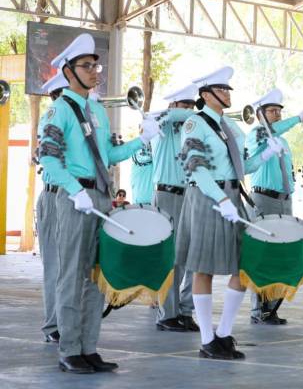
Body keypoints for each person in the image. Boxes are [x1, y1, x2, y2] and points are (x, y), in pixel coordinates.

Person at [38, 33, 159, 373]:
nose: (95, 72)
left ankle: (89, 347)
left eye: (96, 65)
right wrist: (73, 189)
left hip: (101, 196)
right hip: (75, 197)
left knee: (95, 276)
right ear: (68, 70)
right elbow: (47, 159)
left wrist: (141, 140)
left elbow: (109, 155)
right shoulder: (58, 110)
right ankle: (69, 349)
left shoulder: (97, 110)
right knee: (71, 275)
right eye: (87, 66)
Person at [175, 66, 262, 360]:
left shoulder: (233, 127)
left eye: (227, 90)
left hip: (232, 196)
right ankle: (207, 339)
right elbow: (195, 168)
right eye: (221, 90)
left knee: (243, 266)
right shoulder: (194, 124)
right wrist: (220, 199)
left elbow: (243, 167)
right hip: (207, 198)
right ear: (205, 94)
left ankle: (224, 333)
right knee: (204, 267)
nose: (227, 94)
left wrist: (266, 154)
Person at [245, 88, 303, 325]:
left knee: (280, 253)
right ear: (260, 114)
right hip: (264, 198)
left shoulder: (282, 140)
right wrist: (297, 120)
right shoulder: (256, 134)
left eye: (279, 111)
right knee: (263, 253)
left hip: (284, 199)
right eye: (272, 111)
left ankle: (271, 308)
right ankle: (258, 309)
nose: (277, 114)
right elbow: (267, 133)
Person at [152, 83, 198, 332]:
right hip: (167, 194)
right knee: (169, 257)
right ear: (173, 105)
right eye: (185, 105)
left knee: (190, 256)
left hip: (190, 193)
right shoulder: (162, 123)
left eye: (192, 105)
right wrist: (199, 113)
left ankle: (185, 311)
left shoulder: (192, 129)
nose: (190, 110)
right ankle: (167, 314)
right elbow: (163, 116)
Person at [35, 70, 70, 344]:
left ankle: (66, 321)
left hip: (72, 196)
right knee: (55, 265)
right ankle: (53, 325)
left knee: (72, 266)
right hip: (54, 195)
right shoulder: (52, 117)